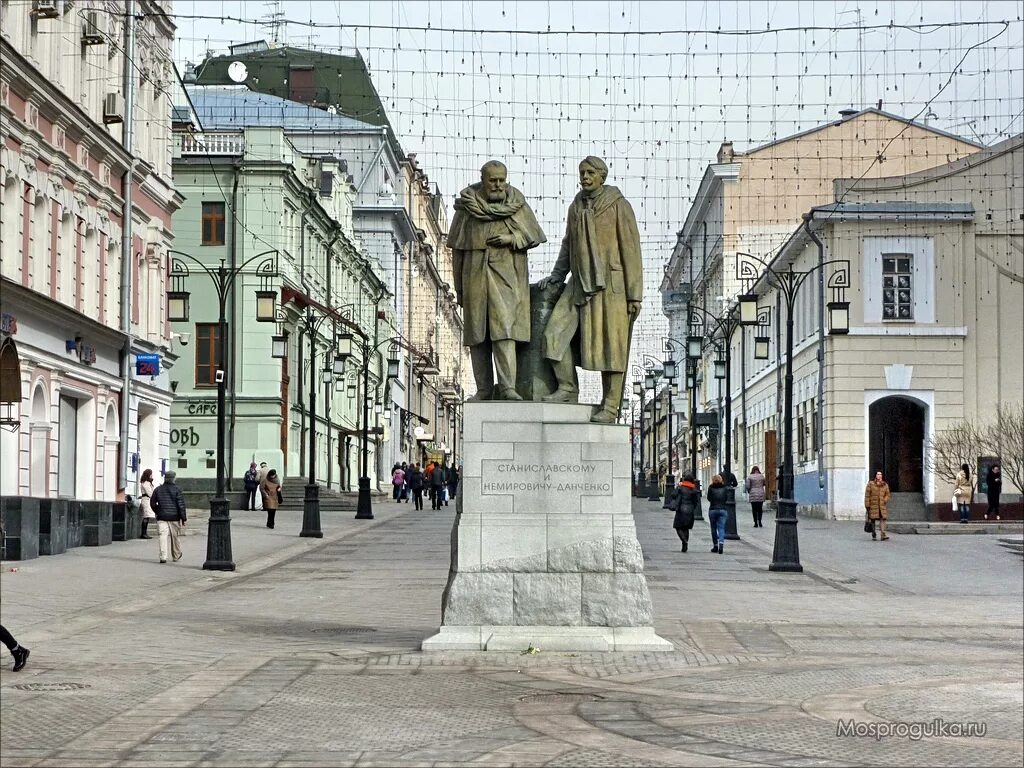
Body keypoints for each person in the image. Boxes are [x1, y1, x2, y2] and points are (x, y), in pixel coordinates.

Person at [539, 156, 642, 423]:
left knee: (612, 347)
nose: (584, 177)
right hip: (579, 282)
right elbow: (568, 244)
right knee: (554, 333)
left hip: (612, 285)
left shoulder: (619, 205)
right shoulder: (576, 205)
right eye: (582, 172)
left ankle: (610, 405)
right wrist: (557, 275)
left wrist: (634, 294)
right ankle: (567, 387)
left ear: (602, 176)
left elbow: (631, 249)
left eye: (590, 173)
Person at [448, 159, 547, 401]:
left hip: (507, 277)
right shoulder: (466, 209)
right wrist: (459, 289)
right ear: (483, 180)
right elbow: (457, 252)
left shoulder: (517, 205)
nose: (498, 185)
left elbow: (533, 236)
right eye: (493, 180)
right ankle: (483, 389)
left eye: (502, 180)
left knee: (505, 332)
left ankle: (506, 387)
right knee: (477, 336)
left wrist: (510, 238)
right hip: (474, 277)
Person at [150, 471, 187, 563]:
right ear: (174, 478)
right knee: (175, 537)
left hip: (162, 516)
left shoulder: (158, 489)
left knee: (162, 536)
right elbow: (181, 505)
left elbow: (152, 503)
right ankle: (176, 555)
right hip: (174, 517)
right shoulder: (177, 489)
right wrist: (183, 518)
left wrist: (158, 511)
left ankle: (163, 557)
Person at [670, 472, 701, 552]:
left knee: (678, 527)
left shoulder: (680, 487)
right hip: (690, 510)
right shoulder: (694, 490)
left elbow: (673, 494)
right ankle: (685, 545)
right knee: (686, 528)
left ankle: (684, 541)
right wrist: (692, 508)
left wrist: (677, 487)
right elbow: (696, 502)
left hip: (681, 509)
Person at [864, 470, 892, 541]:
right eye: (878, 474)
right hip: (873, 505)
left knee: (883, 519)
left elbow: (887, 494)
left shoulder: (885, 485)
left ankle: (883, 534)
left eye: (880, 474)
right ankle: (874, 533)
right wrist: (867, 505)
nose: (879, 476)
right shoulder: (871, 484)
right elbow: (867, 495)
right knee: (872, 520)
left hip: (881, 505)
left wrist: (885, 500)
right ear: (875, 476)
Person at [706, 474, 729, 554]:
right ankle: (721, 544)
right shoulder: (725, 488)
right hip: (723, 510)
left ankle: (715, 545)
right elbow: (726, 498)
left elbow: (709, 498)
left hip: (713, 510)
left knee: (713, 528)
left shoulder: (711, 488)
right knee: (721, 528)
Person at [139, 468, 156, 539]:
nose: (152, 475)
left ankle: (145, 533)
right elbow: (150, 493)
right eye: (151, 474)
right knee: (146, 516)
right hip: (146, 500)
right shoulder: (146, 483)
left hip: (147, 500)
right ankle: (143, 533)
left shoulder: (147, 483)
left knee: (147, 517)